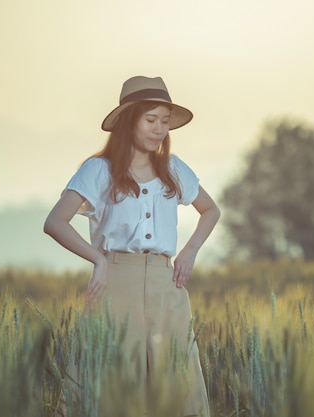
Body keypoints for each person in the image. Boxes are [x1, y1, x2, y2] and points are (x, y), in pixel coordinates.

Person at [44, 75, 220, 416]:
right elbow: (55, 221)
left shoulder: (173, 169)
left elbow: (211, 210)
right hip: (115, 284)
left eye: (165, 122)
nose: (159, 130)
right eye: (150, 120)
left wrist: (191, 249)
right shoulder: (99, 170)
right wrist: (97, 259)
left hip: (167, 283)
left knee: (178, 386)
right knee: (112, 387)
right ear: (129, 121)